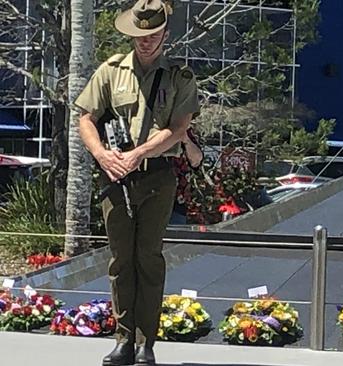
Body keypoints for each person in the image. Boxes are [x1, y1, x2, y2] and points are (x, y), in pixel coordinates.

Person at [75, 1, 199, 365]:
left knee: (148, 259)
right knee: (120, 261)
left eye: (153, 35)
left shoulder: (179, 76)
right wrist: (102, 155)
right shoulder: (111, 71)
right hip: (116, 176)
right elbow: (86, 117)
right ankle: (123, 339)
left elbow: (179, 129)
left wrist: (138, 154)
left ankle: (146, 342)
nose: (145, 42)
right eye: (139, 36)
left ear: (165, 35)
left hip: (157, 176)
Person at [170, 128, 203, 225]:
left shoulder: (183, 128)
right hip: (148, 200)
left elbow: (196, 161)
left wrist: (185, 139)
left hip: (176, 205)